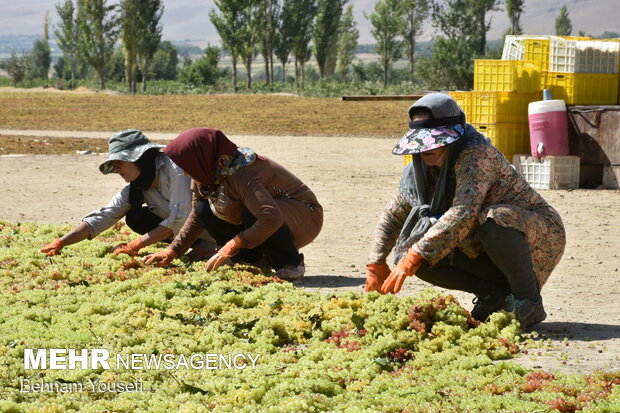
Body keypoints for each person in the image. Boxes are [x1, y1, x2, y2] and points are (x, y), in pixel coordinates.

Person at [365, 93, 566, 331]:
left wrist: (416, 253)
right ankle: (493, 294)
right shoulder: (419, 170)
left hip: (533, 236)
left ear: (453, 136)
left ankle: (527, 301)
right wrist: (376, 262)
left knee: (493, 219)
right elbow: (394, 214)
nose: (425, 150)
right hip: (485, 246)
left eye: (433, 141)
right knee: (424, 253)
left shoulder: (476, 155)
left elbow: (463, 212)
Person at [143, 128, 323, 281]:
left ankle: (290, 263)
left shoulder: (242, 172)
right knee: (204, 208)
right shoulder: (205, 174)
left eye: (187, 166)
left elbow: (270, 217)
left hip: (303, 214)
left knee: (254, 213)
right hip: (271, 214)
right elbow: (198, 216)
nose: (185, 173)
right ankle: (251, 260)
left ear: (201, 158)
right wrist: (172, 251)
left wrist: (233, 244)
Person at [40, 129, 216, 259]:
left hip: (218, 228)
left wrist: (134, 245)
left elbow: (181, 217)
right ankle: (199, 246)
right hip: (190, 234)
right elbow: (105, 215)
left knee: (194, 212)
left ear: (137, 158)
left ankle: (211, 247)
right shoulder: (137, 186)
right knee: (135, 217)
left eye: (119, 163)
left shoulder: (174, 169)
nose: (116, 169)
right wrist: (61, 242)